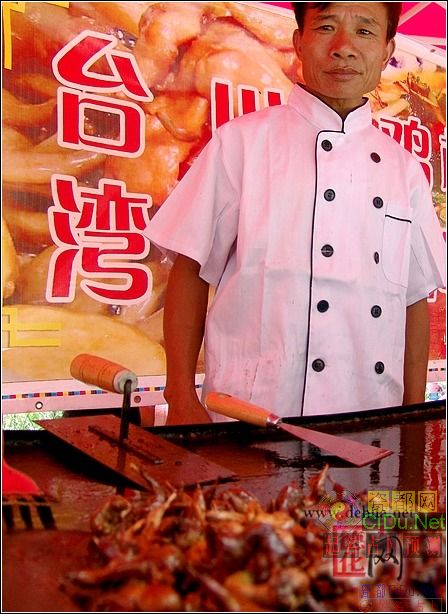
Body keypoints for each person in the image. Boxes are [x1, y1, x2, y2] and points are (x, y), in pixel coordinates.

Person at [147, 2, 446, 424]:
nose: (343, 47)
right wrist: (180, 396)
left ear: (386, 51)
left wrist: (411, 423)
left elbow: (413, 300)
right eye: (326, 27)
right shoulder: (242, 144)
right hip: (249, 414)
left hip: (370, 421)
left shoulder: (405, 171)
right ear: (299, 42)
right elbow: (192, 270)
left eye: (364, 31)